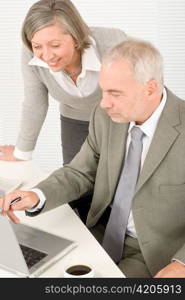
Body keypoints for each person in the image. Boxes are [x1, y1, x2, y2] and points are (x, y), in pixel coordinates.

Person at [1, 38, 185, 278]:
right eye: (103, 90)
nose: (104, 103)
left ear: (150, 88)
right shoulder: (105, 116)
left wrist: (181, 264)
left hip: (153, 253)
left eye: (115, 93)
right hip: (100, 232)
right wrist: (36, 195)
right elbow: (80, 171)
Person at [0, 0, 126, 221]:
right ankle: (88, 232)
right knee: (78, 179)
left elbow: (145, 89)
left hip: (119, 116)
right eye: (38, 46)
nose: (46, 55)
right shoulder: (31, 53)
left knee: (119, 179)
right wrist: (22, 151)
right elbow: (35, 102)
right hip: (75, 116)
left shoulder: (114, 43)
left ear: (76, 36)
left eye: (55, 45)